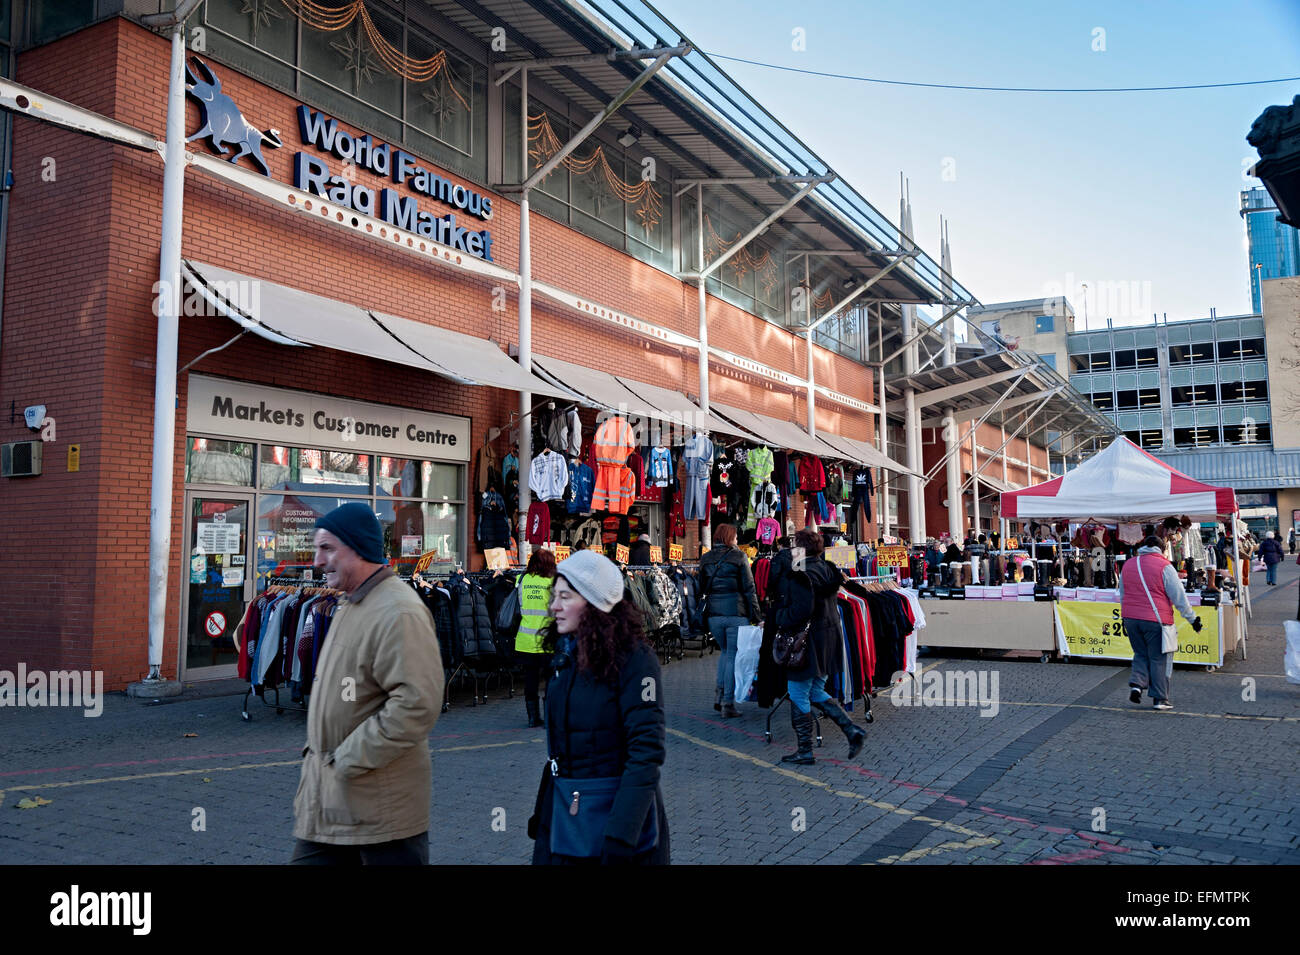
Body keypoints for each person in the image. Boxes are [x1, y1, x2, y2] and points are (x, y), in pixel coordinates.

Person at [291, 502, 445, 865]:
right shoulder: (352, 603)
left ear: (357, 548)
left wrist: (345, 759)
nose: (317, 560)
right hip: (331, 802)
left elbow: (416, 704)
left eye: (327, 548)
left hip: (380, 811)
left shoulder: (398, 611)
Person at [528, 550, 669, 865]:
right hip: (566, 816)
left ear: (594, 605)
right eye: (555, 595)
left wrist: (620, 837)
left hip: (615, 827)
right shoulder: (566, 656)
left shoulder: (636, 661)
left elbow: (646, 752)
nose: (554, 606)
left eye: (566, 596)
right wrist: (544, 812)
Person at [773, 528, 866, 764]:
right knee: (814, 689)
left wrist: (779, 616)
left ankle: (805, 750)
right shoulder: (827, 569)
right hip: (828, 638)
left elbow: (801, 610)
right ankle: (852, 731)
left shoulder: (800, 574)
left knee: (798, 692)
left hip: (807, 642)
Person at [1117, 535, 1202, 712]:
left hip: (1131, 618)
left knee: (1140, 653)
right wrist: (1192, 619)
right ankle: (1160, 699)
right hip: (1155, 620)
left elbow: (1122, 593)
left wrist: (1127, 615)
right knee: (1158, 658)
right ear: (1162, 549)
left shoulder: (1129, 564)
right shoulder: (1164, 566)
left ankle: (1137, 685)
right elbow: (1178, 596)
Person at [697, 523, 761, 718]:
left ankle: (719, 695)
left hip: (714, 616)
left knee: (725, 653)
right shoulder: (740, 557)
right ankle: (727, 703)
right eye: (734, 537)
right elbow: (750, 588)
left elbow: (701, 588)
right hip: (736, 614)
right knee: (732, 656)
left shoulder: (705, 559)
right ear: (729, 538)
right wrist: (757, 616)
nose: (737, 540)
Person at [516, 548, 557, 727]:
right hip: (547, 639)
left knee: (530, 680)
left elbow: (520, 604)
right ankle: (549, 717)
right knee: (550, 679)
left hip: (525, 638)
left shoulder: (522, 579)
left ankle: (533, 718)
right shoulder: (553, 581)